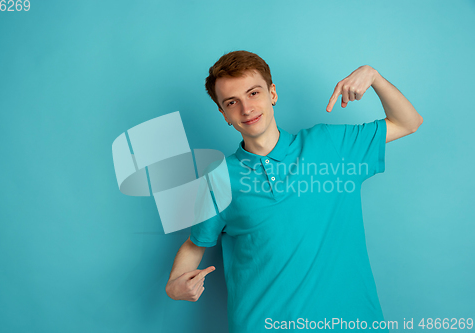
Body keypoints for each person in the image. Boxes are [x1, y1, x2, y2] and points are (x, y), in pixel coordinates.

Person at [165, 50, 423, 332]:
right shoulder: (219, 179)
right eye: (232, 102)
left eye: (253, 93)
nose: (246, 109)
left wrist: (374, 76)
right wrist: (174, 285)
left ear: (272, 93)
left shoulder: (330, 145)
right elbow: (195, 244)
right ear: (223, 113)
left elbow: (407, 122)